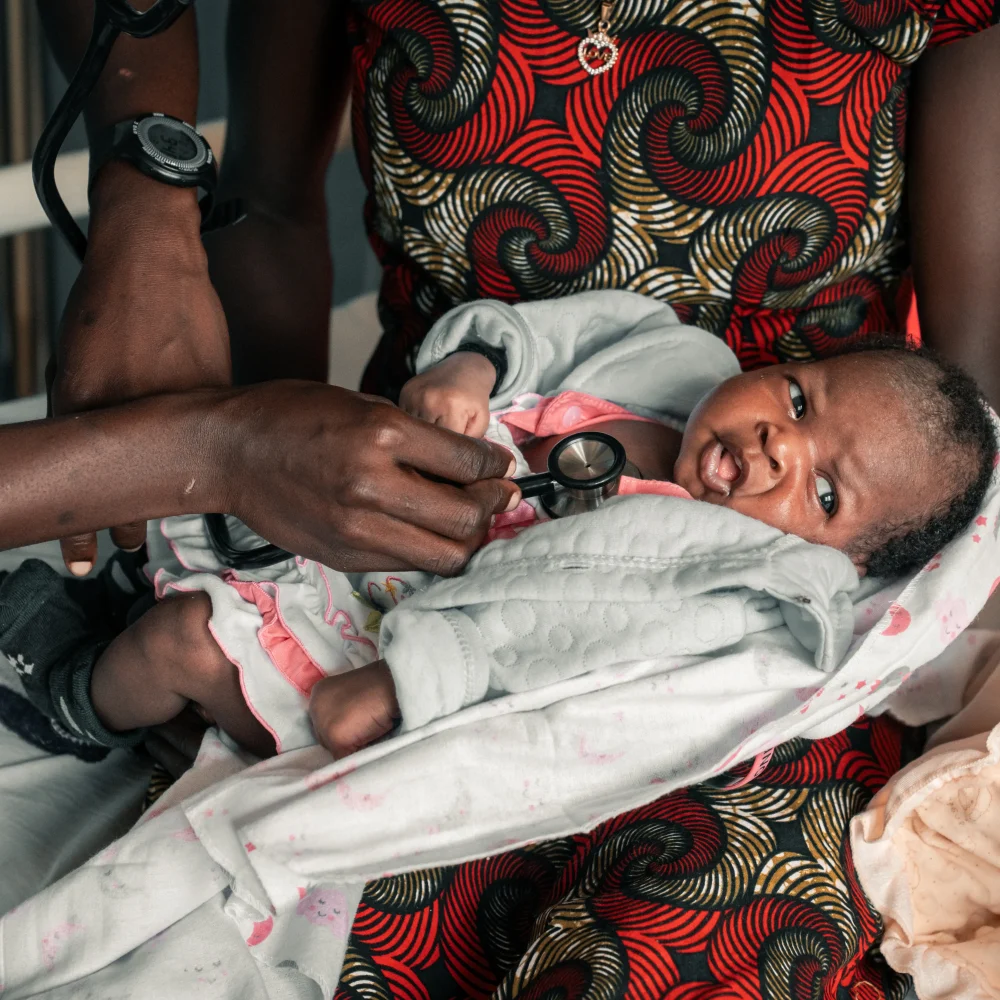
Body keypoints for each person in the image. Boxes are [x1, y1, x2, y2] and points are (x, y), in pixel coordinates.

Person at [1, 292, 992, 761]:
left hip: (393, 630)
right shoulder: (672, 354)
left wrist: (400, 683)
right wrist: (472, 372)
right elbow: (537, 332)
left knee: (183, 644)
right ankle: (129, 600)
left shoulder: (711, 570)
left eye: (823, 494)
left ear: (845, 564)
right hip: (353, 513)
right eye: (802, 398)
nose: (780, 446)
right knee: (214, 495)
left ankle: (78, 698)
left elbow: (553, 636)